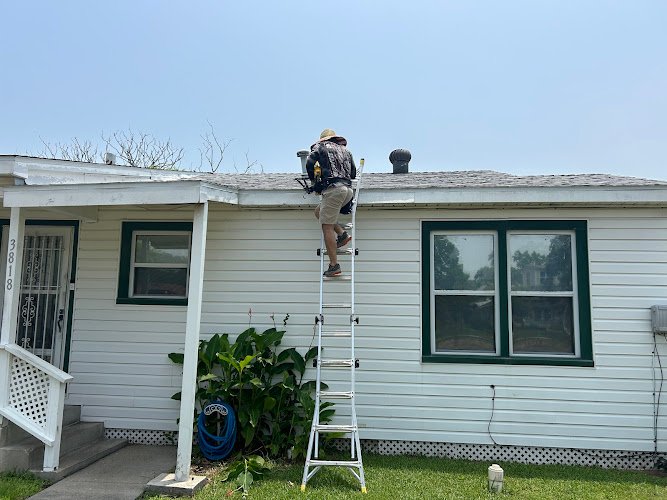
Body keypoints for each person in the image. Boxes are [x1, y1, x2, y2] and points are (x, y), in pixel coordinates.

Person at [306, 129, 356, 277]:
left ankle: (334, 265)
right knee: (319, 212)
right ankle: (342, 234)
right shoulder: (346, 151)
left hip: (334, 190)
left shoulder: (321, 147)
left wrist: (315, 183)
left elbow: (310, 163)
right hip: (348, 191)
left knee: (326, 226)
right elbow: (353, 173)